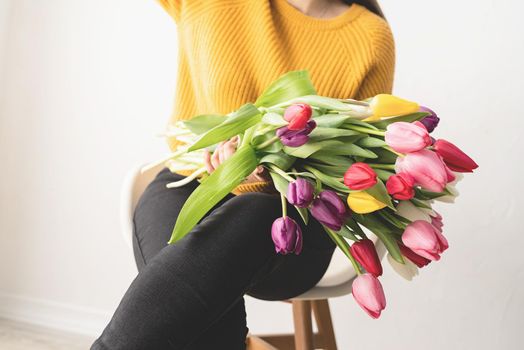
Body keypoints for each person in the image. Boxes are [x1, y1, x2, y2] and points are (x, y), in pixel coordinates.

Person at [92, 0, 394, 349]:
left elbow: (357, 168)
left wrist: (269, 172)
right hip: (188, 186)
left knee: (248, 217)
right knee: (191, 297)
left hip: (290, 221)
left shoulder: (369, 38)